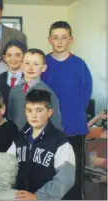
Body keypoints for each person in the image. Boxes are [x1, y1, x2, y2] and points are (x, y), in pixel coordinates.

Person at [41, 21, 93, 200]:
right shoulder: (43, 64)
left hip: (74, 129)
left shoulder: (79, 64)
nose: (60, 41)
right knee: (50, 174)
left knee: (74, 174)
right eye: (55, 37)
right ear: (49, 40)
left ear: (71, 39)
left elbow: (85, 95)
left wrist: (74, 113)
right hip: (49, 130)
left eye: (64, 37)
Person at [7, 89, 75, 200]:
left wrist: (37, 197)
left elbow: (65, 180)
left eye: (39, 110)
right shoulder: (19, 139)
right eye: (29, 110)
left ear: (50, 112)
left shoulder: (60, 142)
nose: (33, 115)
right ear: (25, 112)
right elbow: (6, 169)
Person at [8, 48, 62, 131]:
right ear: (21, 66)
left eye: (36, 64)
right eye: (27, 63)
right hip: (17, 139)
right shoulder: (14, 91)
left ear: (43, 68)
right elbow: (11, 118)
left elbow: (56, 124)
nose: (31, 67)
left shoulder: (48, 93)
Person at [0, 40, 26, 118]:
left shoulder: (29, 81)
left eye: (18, 55)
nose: (13, 59)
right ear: (4, 57)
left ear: (24, 56)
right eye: (9, 55)